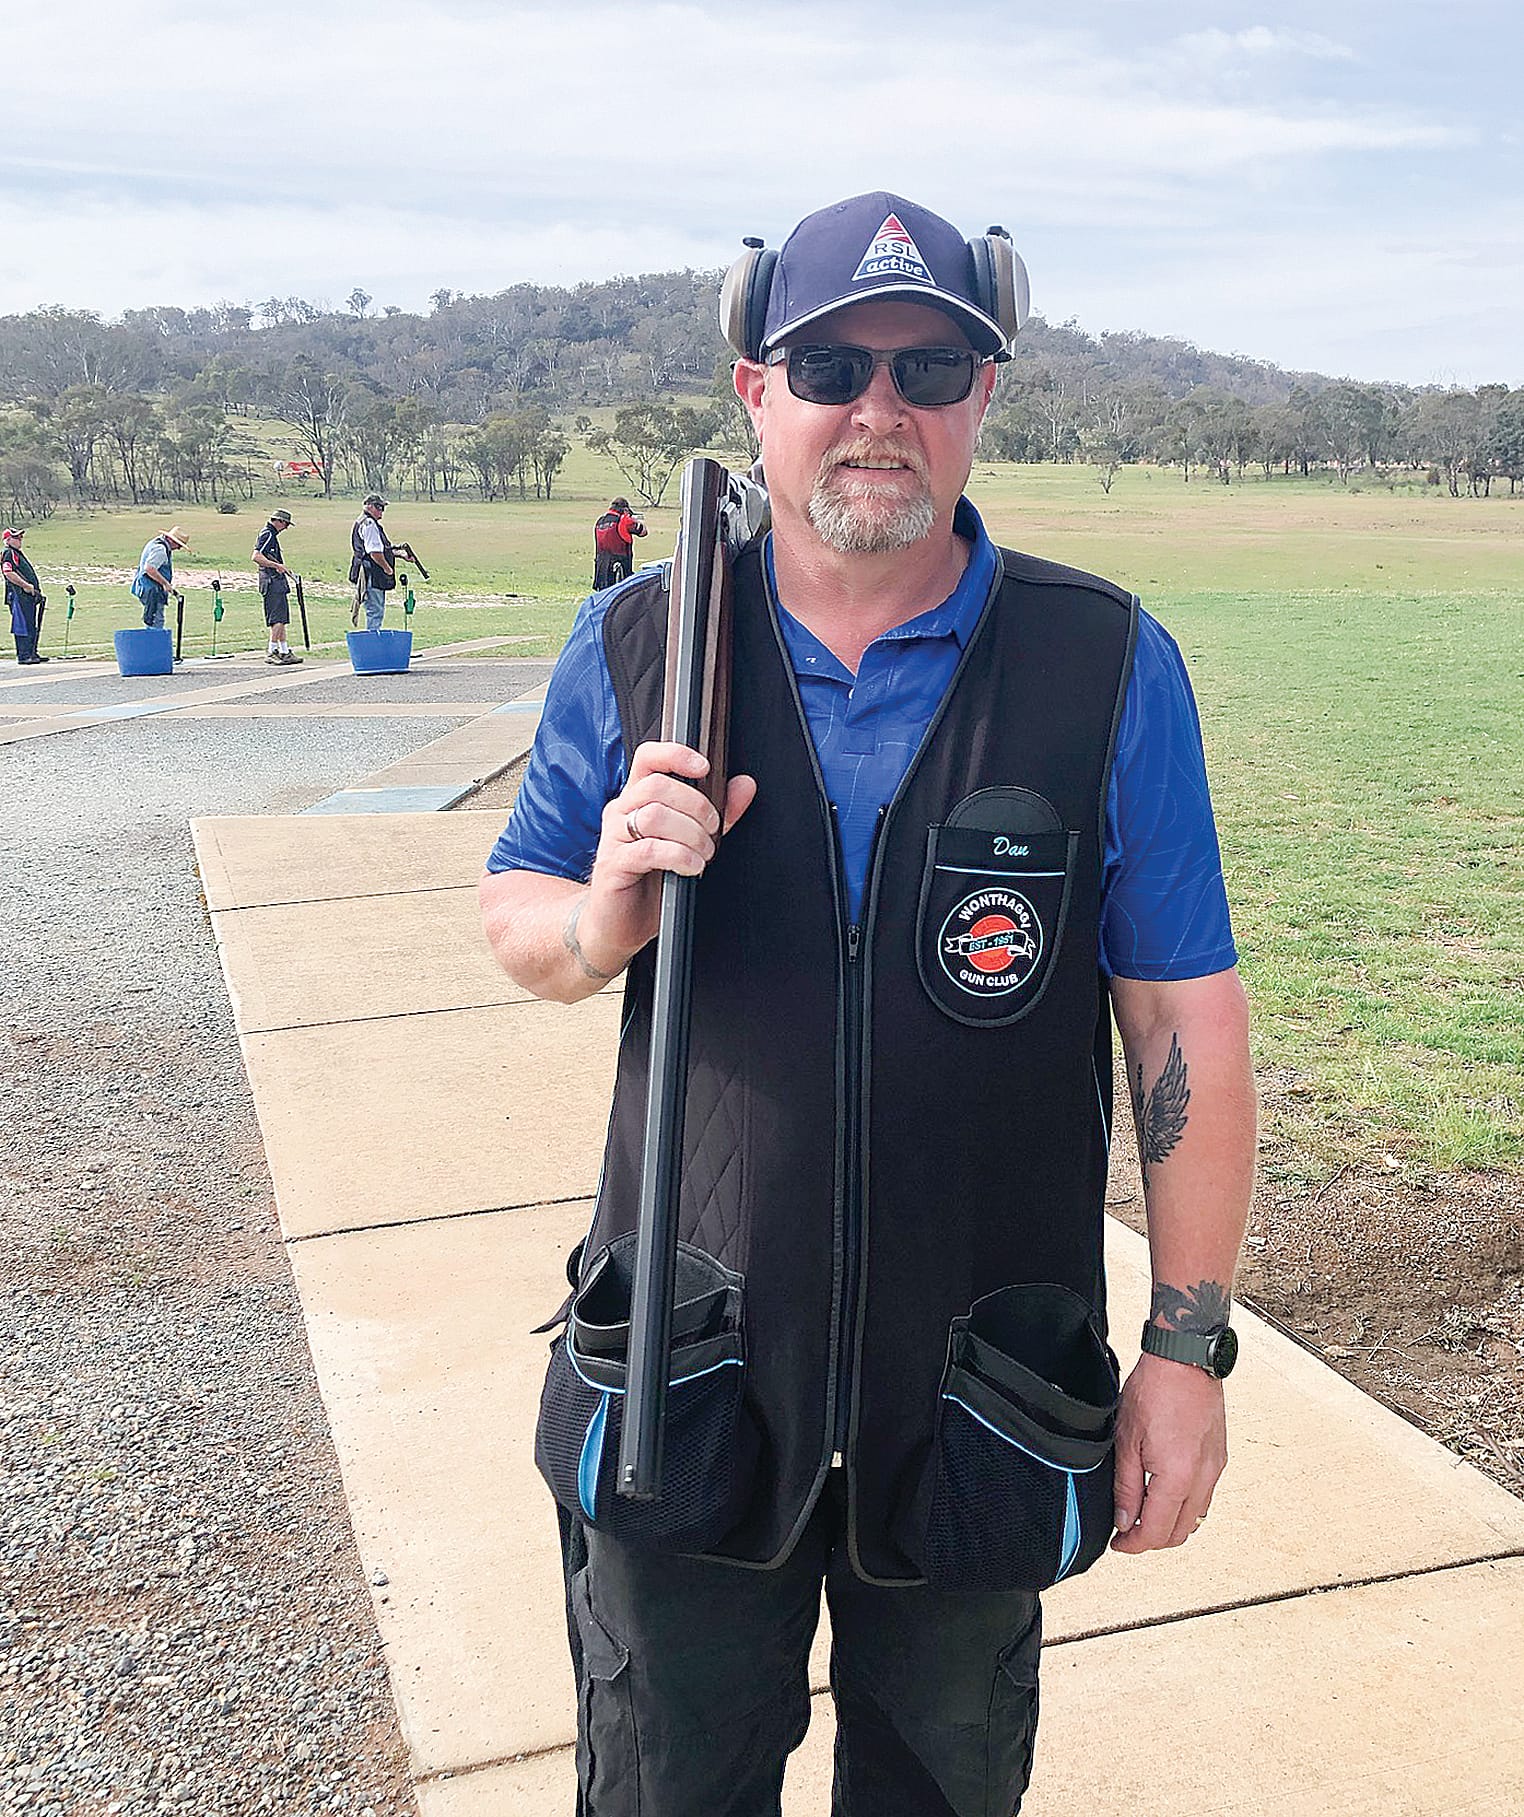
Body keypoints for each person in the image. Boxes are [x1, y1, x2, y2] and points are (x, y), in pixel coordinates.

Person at [479, 192, 1255, 1817]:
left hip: (981, 1388)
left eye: (928, 369)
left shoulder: (1105, 664)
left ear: (983, 395)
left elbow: (1179, 1018)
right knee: (665, 1785)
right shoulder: (639, 641)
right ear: (756, 392)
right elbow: (520, 922)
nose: (878, 409)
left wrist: (1184, 1351)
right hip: (686, 1376)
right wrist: (606, 908)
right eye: (831, 366)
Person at [253, 508, 302, 665]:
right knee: (277, 618)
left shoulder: (271, 535)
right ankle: (272, 651)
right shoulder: (267, 534)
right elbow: (256, 556)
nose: (286, 528)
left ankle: (284, 651)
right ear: (279, 521)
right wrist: (276, 566)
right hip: (271, 581)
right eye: (286, 524)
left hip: (275, 581)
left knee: (281, 618)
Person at [350, 494, 395, 630]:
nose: (381, 512)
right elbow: (375, 553)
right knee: (375, 612)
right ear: (368, 506)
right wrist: (387, 569)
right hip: (372, 574)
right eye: (378, 507)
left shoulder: (363, 521)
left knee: (374, 610)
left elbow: (380, 549)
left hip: (367, 572)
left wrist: (400, 554)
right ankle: (373, 640)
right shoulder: (369, 525)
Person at [3, 528, 48, 664]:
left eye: (20, 537)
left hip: (26, 596)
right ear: (8, 540)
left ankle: (32, 652)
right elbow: (8, 572)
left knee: (30, 624)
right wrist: (25, 585)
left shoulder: (16, 553)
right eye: (16, 537)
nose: (19, 540)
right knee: (22, 624)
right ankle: (24, 655)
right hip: (19, 595)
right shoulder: (9, 553)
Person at [132, 526, 189, 629]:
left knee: (153, 619)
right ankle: (153, 639)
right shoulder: (160, 550)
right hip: (152, 590)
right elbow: (150, 569)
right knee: (155, 621)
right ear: (171, 540)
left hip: (146, 587)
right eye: (179, 545)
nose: (179, 548)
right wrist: (165, 583)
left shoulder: (155, 543)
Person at [592, 496, 647, 591]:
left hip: (601, 565)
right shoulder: (624, 520)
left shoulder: (600, 521)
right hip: (620, 564)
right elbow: (643, 532)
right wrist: (636, 521)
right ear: (625, 509)